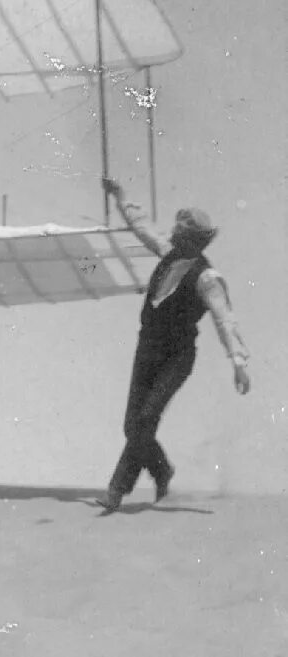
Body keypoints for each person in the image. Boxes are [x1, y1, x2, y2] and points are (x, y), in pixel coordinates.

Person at [96, 180, 250, 512]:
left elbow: (225, 320)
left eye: (182, 235)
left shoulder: (208, 278)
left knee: (146, 418)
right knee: (132, 424)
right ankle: (163, 471)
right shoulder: (168, 251)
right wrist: (121, 196)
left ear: (196, 241)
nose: (175, 238)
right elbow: (141, 227)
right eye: (176, 233)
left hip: (177, 355)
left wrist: (238, 361)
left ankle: (116, 490)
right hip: (147, 346)